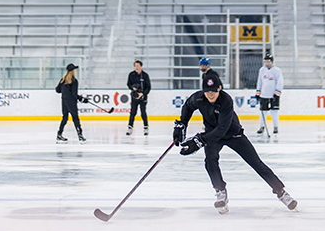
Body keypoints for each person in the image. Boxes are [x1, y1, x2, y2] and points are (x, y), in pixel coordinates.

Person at [173, 72, 297, 214]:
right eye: (207, 91)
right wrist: (182, 124)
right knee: (210, 160)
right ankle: (220, 191)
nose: (211, 95)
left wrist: (200, 140)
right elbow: (188, 106)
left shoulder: (226, 100)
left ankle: (281, 192)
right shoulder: (198, 98)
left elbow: (222, 129)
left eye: (214, 91)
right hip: (212, 135)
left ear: (219, 88)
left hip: (233, 134)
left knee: (256, 163)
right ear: (203, 91)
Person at [55, 63, 87, 143]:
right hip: (71, 102)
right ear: (73, 71)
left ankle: (59, 134)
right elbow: (74, 94)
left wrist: (64, 90)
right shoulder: (74, 81)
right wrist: (82, 99)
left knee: (65, 117)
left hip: (64, 101)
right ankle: (80, 136)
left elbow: (57, 90)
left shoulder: (63, 80)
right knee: (75, 118)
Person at [255, 53, 283, 136]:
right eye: (265, 61)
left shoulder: (277, 70)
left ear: (271, 62)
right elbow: (259, 81)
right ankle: (262, 127)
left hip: (273, 95)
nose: (267, 63)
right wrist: (258, 92)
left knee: (274, 111)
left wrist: (277, 92)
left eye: (268, 61)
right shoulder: (262, 70)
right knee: (263, 112)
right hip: (264, 94)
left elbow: (280, 81)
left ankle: (275, 127)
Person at [126, 60, 151, 136]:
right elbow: (128, 84)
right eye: (135, 66)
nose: (136, 67)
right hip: (134, 96)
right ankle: (130, 127)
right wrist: (133, 88)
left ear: (141, 66)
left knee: (143, 112)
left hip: (143, 97)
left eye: (137, 66)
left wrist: (142, 93)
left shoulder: (145, 75)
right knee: (132, 112)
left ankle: (146, 127)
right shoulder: (131, 74)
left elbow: (148, 87)